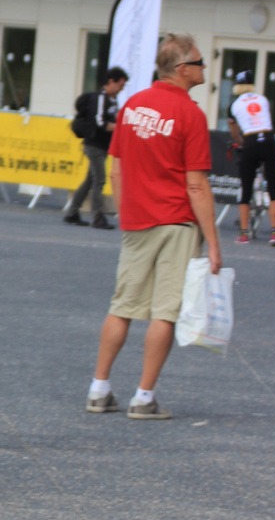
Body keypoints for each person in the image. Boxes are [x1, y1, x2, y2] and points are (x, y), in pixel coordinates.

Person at [85, 33, 222, 420]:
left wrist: (128, 210)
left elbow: (117, 165)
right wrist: (213, 243)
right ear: (182, 69)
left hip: (137, 220)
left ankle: (99, 388)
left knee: (122, 305)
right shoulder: (191, 114)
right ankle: (143, 397)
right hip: (177, 221)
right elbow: (196, 184)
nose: (202, 68)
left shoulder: (132, 105)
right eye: (197, 62)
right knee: (165, 311)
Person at [63, 66, 128, 229]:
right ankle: (97, 216)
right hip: (94, 144)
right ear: (111, 81)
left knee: (89, 180)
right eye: (120, 85)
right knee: (99, 179)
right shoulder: (101, 98)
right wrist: (120, 126)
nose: (121, 89)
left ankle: (72, 212)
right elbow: (100, 123)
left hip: (102, 145)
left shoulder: (112, 100)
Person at [227, 70, 275, 246]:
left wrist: (242, 144)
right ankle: (274, 233)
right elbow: (265, 119)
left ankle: (243, 234)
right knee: (273, 189)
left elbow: (235, 134)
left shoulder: (233, 105)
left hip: (250, 142)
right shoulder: (263, 99)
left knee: (246, 190)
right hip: (268, 140)